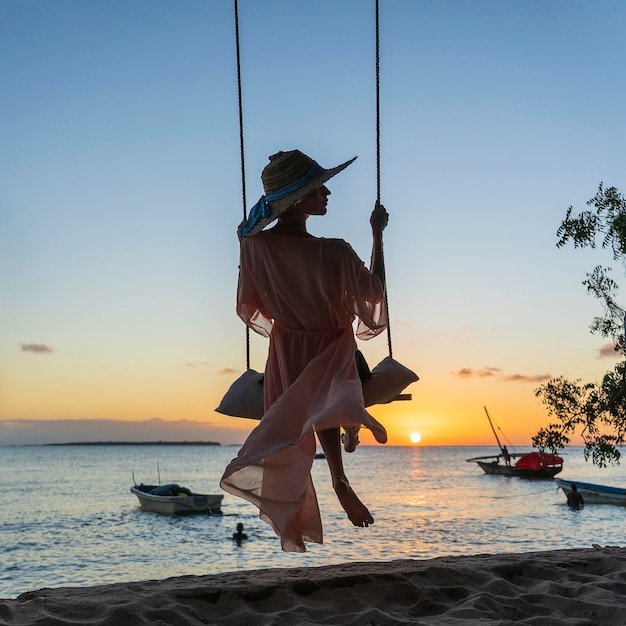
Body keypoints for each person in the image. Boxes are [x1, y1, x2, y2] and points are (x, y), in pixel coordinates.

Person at [220, 149, 389, 553]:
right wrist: (378, 235)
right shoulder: (337, 252)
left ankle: (339, 456)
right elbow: (375, 296)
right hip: (334, 353)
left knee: (298, 429)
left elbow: (250, 305)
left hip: (286, 351)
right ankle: (341, 465)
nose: (328, 192)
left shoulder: (256, 248)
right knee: (340, 387)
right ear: (298, 200)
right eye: (318, 187)